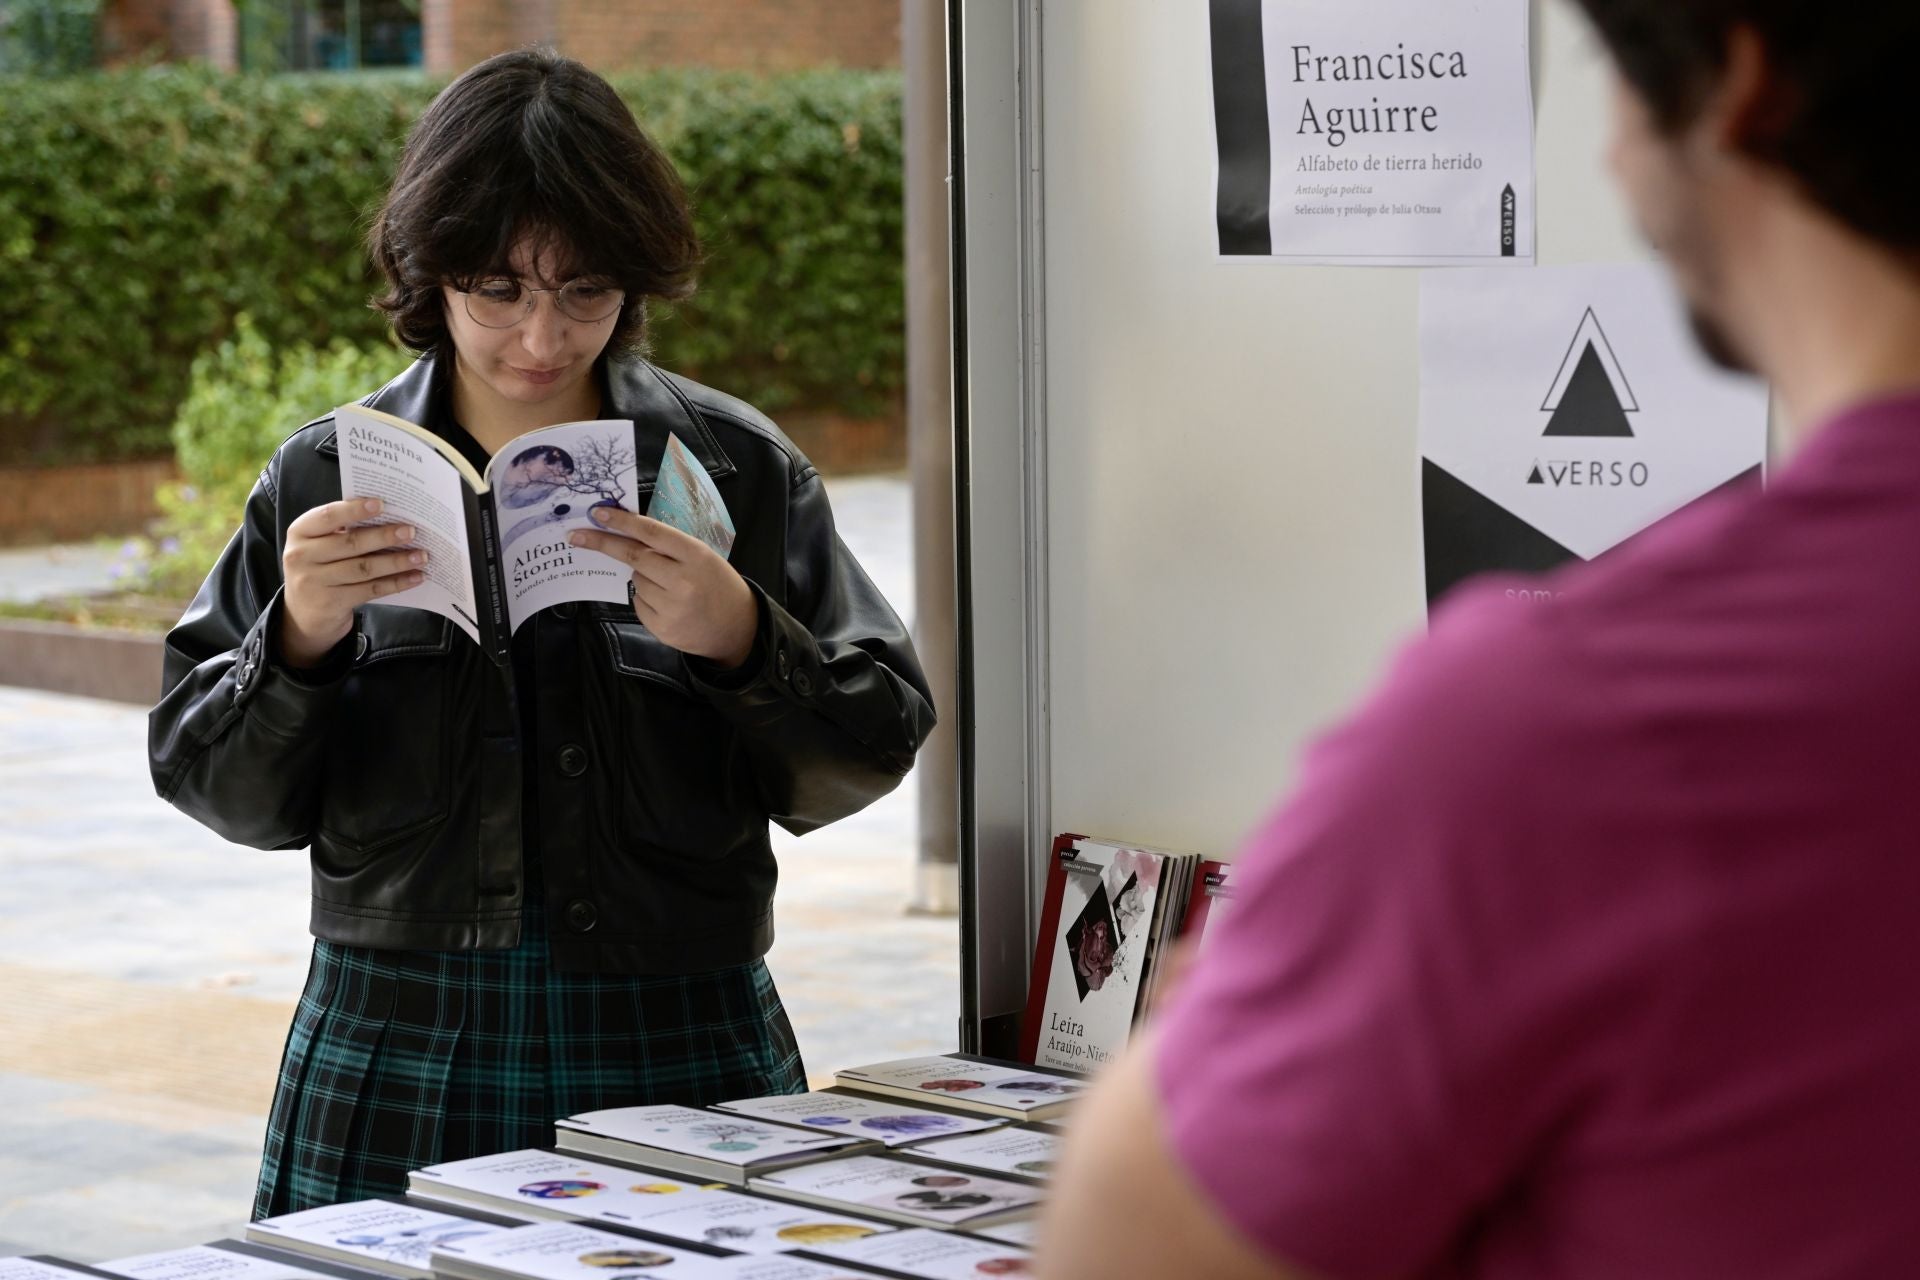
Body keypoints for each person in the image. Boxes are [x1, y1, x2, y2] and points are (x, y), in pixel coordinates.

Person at [1040, 1, 1920, 1277]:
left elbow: (1132, 1248)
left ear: (1740, 79)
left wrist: (1224, 1016)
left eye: (1606, 81)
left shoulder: (1580, 722)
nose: (1611, 159)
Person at [148, 48, 935, 1217]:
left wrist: (744, 639)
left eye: (585, 291)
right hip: (396, 1029)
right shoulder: (324, 473)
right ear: (432, 275)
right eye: (498, 290)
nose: (540, 337)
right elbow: (217, 786)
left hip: (678, 1019)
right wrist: (298, 635)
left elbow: (868, 749)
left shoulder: (734, 467)